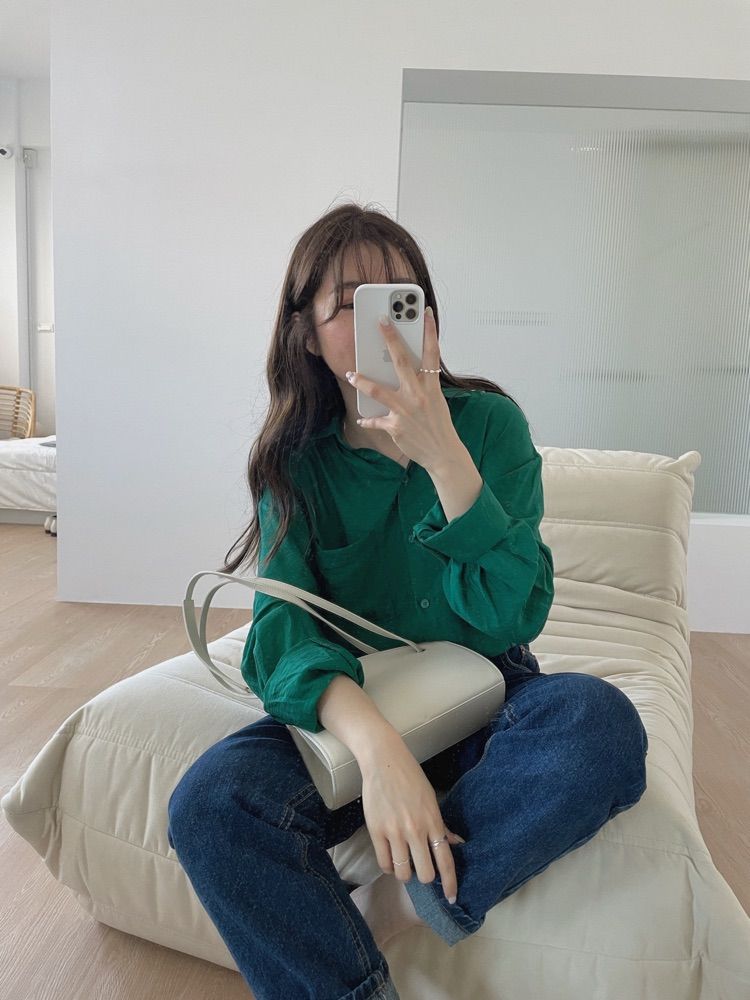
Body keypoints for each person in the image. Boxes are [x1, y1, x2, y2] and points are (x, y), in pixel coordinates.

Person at [166, 202, 649, 1000]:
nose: (384, 322)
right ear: (307, 335)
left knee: (599, 725)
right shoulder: (294, 464)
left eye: (401, 297)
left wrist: (445, 459)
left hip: (487, 689)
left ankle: (406, 900)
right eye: (351, 304)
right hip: (355, 703)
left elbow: (512, 615)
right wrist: (382, 754)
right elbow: (282, 633)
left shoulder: (489, 426)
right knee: (211, 804)